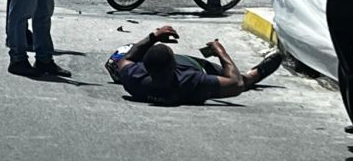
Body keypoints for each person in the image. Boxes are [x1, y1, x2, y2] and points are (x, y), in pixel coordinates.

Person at [108, 25, 282, 105]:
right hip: (198, 67)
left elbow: (126, 60)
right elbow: (235, 85)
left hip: (161, 69)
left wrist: (154, 36)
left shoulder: (134, 79)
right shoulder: (190, 81)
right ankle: (255, 74)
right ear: (173, 65)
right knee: (242, 80)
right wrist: (221, 52)